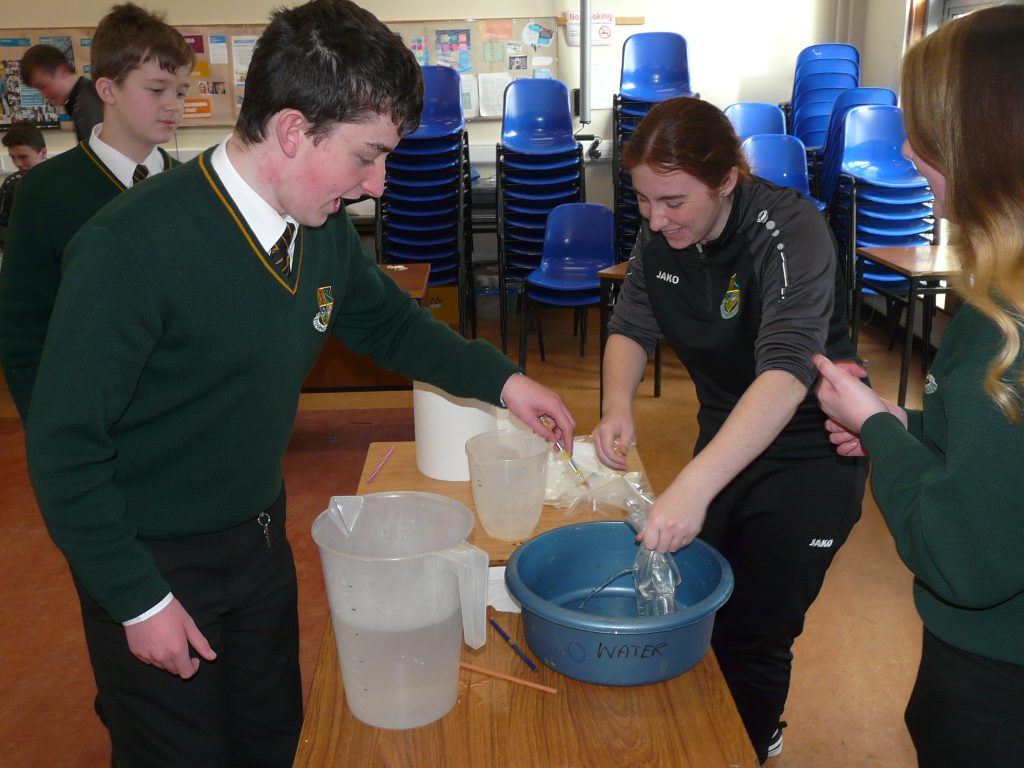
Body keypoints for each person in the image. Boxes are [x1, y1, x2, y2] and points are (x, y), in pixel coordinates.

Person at [25, 1, 575, 766]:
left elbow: (393, 326)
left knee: (273, 735)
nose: (378, 184)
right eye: (366, 156)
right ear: (291, 130)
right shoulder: (128, 249)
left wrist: (506, 382)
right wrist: (137, 599)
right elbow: (64, 449)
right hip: (151, 556)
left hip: (257, 539)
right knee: (178, 750)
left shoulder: (318, 230)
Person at [593, 96, 866, 763]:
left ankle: (754, 742)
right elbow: (631, 324)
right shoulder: (663, 231)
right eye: (644, 200)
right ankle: (707, 737)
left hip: (811, 450)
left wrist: (691, 487)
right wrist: (615, 404)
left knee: (757, 633)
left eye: (673, 201)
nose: (655, 219)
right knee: (702, 605)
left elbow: (785, 373)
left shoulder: (790, 230)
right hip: (726, 436)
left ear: (726, 181)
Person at [814, 6, 1024, 767]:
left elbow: (960, 556)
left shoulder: (1001, 337)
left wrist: (875, 429)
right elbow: (994, 464)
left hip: (995, 686)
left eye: (928, 135)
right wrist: (901, 424)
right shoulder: (998, 309)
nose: (905, 150)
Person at [0, 3, 192, 425]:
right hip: (89, 416)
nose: (173, 105)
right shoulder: (45, 191)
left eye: (180, 92)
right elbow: (22, 324)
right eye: (156, 89)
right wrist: (49, 429)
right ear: (107, 90)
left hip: (181, 416)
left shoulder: (193, 187)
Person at [20, 43, 104, 140]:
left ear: (62, 71)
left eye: (43, 86)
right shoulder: (82, 98)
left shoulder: (88, 103)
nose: (44, 95)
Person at [0, 125, 48, 249]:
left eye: (23, 157)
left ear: (43, 153)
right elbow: (2, 224)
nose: (17, 163)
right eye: (12, 157)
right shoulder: (12, 184)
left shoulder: (63, 179)